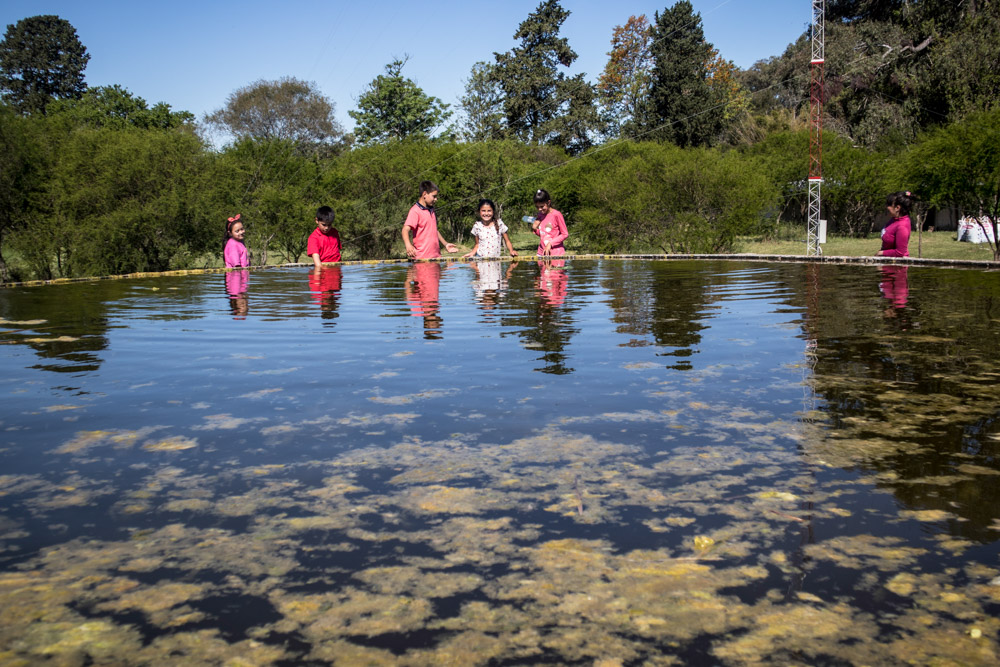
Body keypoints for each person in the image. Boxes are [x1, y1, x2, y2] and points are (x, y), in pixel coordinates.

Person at [402, 181, 458, 260]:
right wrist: (408, 245)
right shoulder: (415, 211)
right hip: (422, 259)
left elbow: (434, 230)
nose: (436, 199)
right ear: (424, 194)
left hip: (436, 257)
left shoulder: (431, 210)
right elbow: (405, 229)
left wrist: (445, 244)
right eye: (434, 196)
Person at [530, 189, 568, 256]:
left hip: (555, 253)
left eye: (542, 206)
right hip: (541, 253)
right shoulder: (540, 215)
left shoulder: (557, 215)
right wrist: (535, 230)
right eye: (537, 207)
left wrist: (550, 244)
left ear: (548, 202)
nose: (539, 209)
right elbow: (545, 234)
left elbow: (565, 234)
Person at [876, 192, 914, 257]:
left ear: (897, 208)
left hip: (897, 265)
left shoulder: (902, 226)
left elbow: (900, 253)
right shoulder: (894, 219)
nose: (887, 207)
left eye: (889, 204)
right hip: (887, 263)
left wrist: (881, 253)